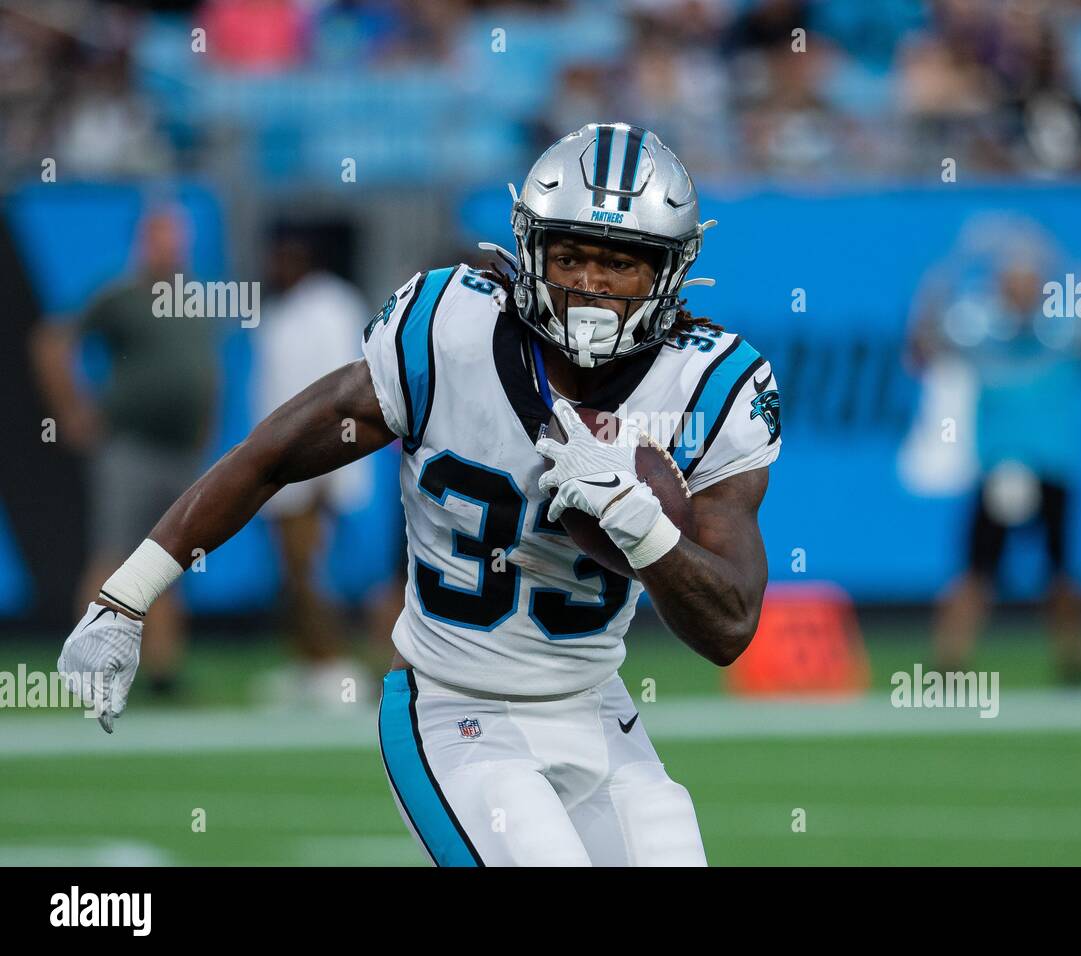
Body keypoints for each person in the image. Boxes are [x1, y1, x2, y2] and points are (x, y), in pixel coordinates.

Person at [57, 124, 782, 866]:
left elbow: (728, 628)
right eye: (569, 255)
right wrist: (127, 595)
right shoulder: (449, 331)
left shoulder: (710, 386)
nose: (589, 284)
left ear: (667, 270)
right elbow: (268, 457)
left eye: (619, 262)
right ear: (530, 251)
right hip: (454, 710)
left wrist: (639, 524)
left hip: (599, 709)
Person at [908, 225, 1081, 684]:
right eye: (1012, 283)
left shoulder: (1067, 334)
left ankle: (1073, 662)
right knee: (975, 572)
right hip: (998, 468)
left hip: (1054, 467)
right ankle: (949, 665)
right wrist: (936, 287)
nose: (1021, 293)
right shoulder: (980, 335)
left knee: (1062, 574)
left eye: (1030, 283)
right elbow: (922, 350)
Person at [32, 205, 215, 697]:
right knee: (113, 556)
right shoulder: (122, 295)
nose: (171, 247)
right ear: (143, 242)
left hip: (181, 452)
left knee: (171, 562)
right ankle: (88, 669)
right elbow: (53, 342)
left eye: (177, 238)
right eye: (161, 237)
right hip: (131, 448)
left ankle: (162, 673)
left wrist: (204, 431)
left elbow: (204, 372)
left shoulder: (192, 299)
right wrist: (72, 412)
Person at [250, 225, 375, 707]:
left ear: (302, 258)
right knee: (293, 574)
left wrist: (330, 471)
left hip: (317, 466)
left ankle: (336, 669)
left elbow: (345, 389)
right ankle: (309, 664)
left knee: (314, 572)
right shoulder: (282, 312)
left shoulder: (334, 306)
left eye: (283, 259)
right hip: (279, 469)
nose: (274, 269)